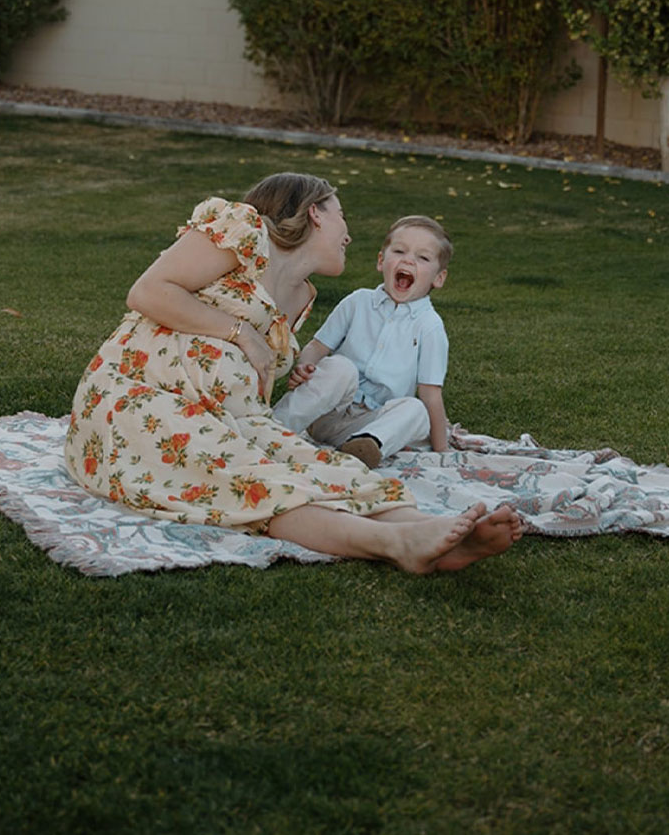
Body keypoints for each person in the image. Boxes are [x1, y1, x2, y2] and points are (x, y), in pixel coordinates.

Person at [64, 172, 522, 574]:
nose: (349, 233)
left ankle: (429, 528)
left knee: (317, 463)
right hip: (142, 394)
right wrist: (242, 332)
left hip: (231, 413)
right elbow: (147, 291)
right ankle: (394, 545)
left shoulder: (301, 296)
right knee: (245, 478)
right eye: (342, 215)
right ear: (316, 213)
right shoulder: (242, 230)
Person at [274, 215, 452, 468]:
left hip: (370, 422)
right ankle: (273, 426)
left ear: (439, 278)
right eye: (400, 251)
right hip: (326, 410)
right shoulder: (357, 302)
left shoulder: (430, 327)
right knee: (341, 367)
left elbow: (430, 394)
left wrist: (442, 451)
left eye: (423, 258)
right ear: (381, 261)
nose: (408, 260)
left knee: (416, 411)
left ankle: (364, 448)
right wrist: (304, 367)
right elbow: (317, 346)